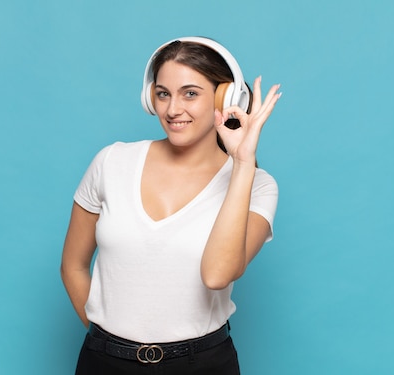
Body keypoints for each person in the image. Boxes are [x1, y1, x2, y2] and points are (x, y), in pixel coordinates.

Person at [61, 36, 281, 375]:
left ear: (226, 98)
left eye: (190, 93)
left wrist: (242, 163)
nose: (172, 109)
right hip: (104, 362)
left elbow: (217, 273)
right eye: (163, 93)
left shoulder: (258, 185)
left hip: (202, 365)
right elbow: (73, 266)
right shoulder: (111, 162)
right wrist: (107, 340)